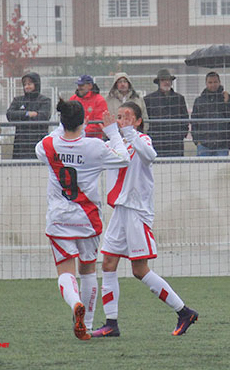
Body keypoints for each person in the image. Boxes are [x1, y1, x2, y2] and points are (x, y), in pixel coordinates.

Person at [92, 101, 199, 338]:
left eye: (127, 116)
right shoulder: (113, 143)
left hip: (136, 212)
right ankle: (111, 323)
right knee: (108, 264)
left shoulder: (143, 140)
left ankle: (184, 311)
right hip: (120, 211)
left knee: (139, 270)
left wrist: (129, 133)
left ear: (139, 121)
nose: (122, 121)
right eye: (119, 117)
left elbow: (150, 156)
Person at [34, 99, 131, 340]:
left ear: (61, 120)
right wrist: (111, 131)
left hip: (59, 220)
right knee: (88, 270)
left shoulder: (47, 145)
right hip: (88, 220)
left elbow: (55, 139)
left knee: (65, 271)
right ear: (84, 121)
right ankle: (86, 324)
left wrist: (62, 127)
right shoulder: (94, 146)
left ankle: (75, 302)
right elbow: (123, 158)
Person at [144, 69, 189, 157]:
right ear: (158, 82)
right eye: (163, 80)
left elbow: (185, 118)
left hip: (175, 142)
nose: (166, 82)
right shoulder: (149, 99)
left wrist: (181, 134)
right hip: (157, 141)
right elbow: (146, 119)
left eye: (168, 80)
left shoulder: (179, 98)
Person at [6, 73, 51, 158]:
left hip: (39, 141)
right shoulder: (18, 100)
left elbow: (43, 117)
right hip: (21, 144)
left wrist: (21, 118)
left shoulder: (45, 101)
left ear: (36, 84)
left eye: (29, 84)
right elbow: (10, 115)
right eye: (25, 84)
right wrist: (27, 114)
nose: (27, 87)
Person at [191, 72, 230, 156]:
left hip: (222, 144)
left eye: (215, 82)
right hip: (204, 145)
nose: (213, 85)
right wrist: (197, 141)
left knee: (222, 168)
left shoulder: (227, 98)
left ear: (219, 82)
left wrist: (227, 103)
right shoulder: (199, 100)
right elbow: (194, 122)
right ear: (206, 83)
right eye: (210, 82)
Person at [69, 75, 108, 139]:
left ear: (90, 86)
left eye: (82, 85)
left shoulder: (99, 100)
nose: (79, 88)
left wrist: (80, 131)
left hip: (93, 139)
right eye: (78, 85)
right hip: (75, 138)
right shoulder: (73, 99)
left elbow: (99, 123)